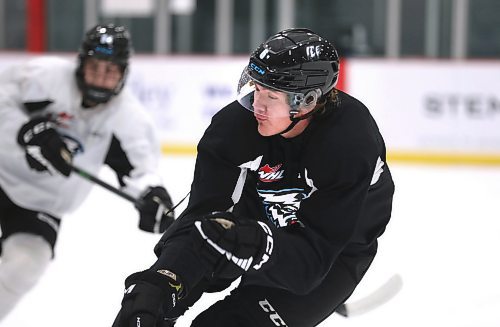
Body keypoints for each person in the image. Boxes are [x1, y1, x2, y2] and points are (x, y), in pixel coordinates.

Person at [112, 28, 395, 327]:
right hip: (254, 220)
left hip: (332, 253)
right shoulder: (234, 128)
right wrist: (165, 278)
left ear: (306, 101)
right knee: (144, 304)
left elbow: (310, 264)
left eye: (271, 95)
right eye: (256, 88)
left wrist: (260, 246)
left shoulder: (348, 144)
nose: (257, 105)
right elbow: (202, 218)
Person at [0, 23, 175, 321]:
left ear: (123, 74)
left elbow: (141, 168)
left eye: (111, 71)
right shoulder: (43, 77)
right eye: (96, 67)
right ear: (81, 64)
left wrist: (151, 195)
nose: (102, 77)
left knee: (27, 263)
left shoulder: (126, 117)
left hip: (39, 204)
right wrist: (27, 131)